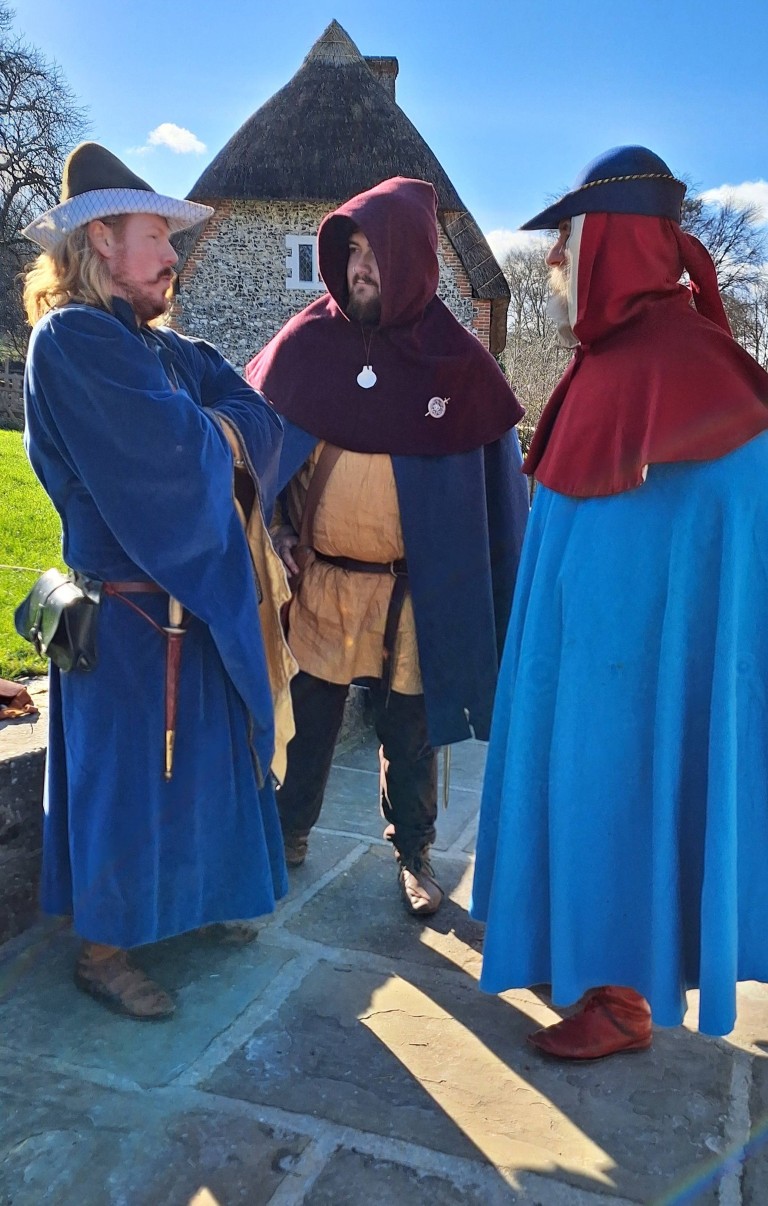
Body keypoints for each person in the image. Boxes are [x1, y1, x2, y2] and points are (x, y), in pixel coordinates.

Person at [470, 145, 768, 1058]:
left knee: (625, 792)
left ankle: (624, 996)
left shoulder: (701, 376)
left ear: (614, 245)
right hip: (595, 665)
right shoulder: (605, 368)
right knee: (598, 796)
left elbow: (720, 542)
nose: (556, 258)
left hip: (637, 672)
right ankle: (601, 969)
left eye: (569, 238)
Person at [21, 142, 297, 1019]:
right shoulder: (72, 341)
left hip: (193, 600)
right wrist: (214, 435)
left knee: (203, 769)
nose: (173, 255)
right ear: (102, 238)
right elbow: (171, 458)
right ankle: (103, 952)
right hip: (124, 623)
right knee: (127, 783)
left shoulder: (170, 350)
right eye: (156, 236)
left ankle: (197, 902)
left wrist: (210, 430)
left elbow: (264, 420)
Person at [246, 176, 529, 916]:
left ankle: (414, 853)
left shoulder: (457, 364)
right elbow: (257, 457)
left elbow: (496, 499)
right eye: (352, 251)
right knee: (308, 720)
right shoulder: (305, 344)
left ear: (413, 261)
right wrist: (276, 530)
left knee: (410, 728)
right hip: (322, 585)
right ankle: (288, 833)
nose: (360, 268)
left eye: (376, 253)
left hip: (412, 591)